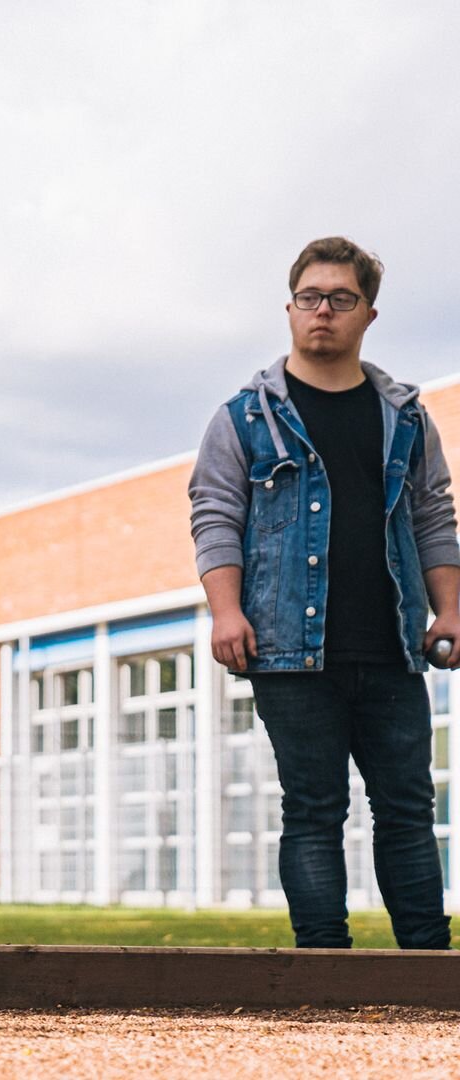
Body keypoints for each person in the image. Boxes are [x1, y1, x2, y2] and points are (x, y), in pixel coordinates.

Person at [189, 236, 459, 950]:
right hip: (287, 651)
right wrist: (226, 610)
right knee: (314, 810)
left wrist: (450, 608)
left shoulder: (403, 417)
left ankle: (430, 966)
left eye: (341, 299)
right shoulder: (245, 417)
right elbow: (216, 515)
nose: (323, 312)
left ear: (368, 313)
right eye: (310, 298)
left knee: (406, 808)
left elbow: (432, 512)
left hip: (394, 649)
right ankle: (324, 966)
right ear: (289, 309)